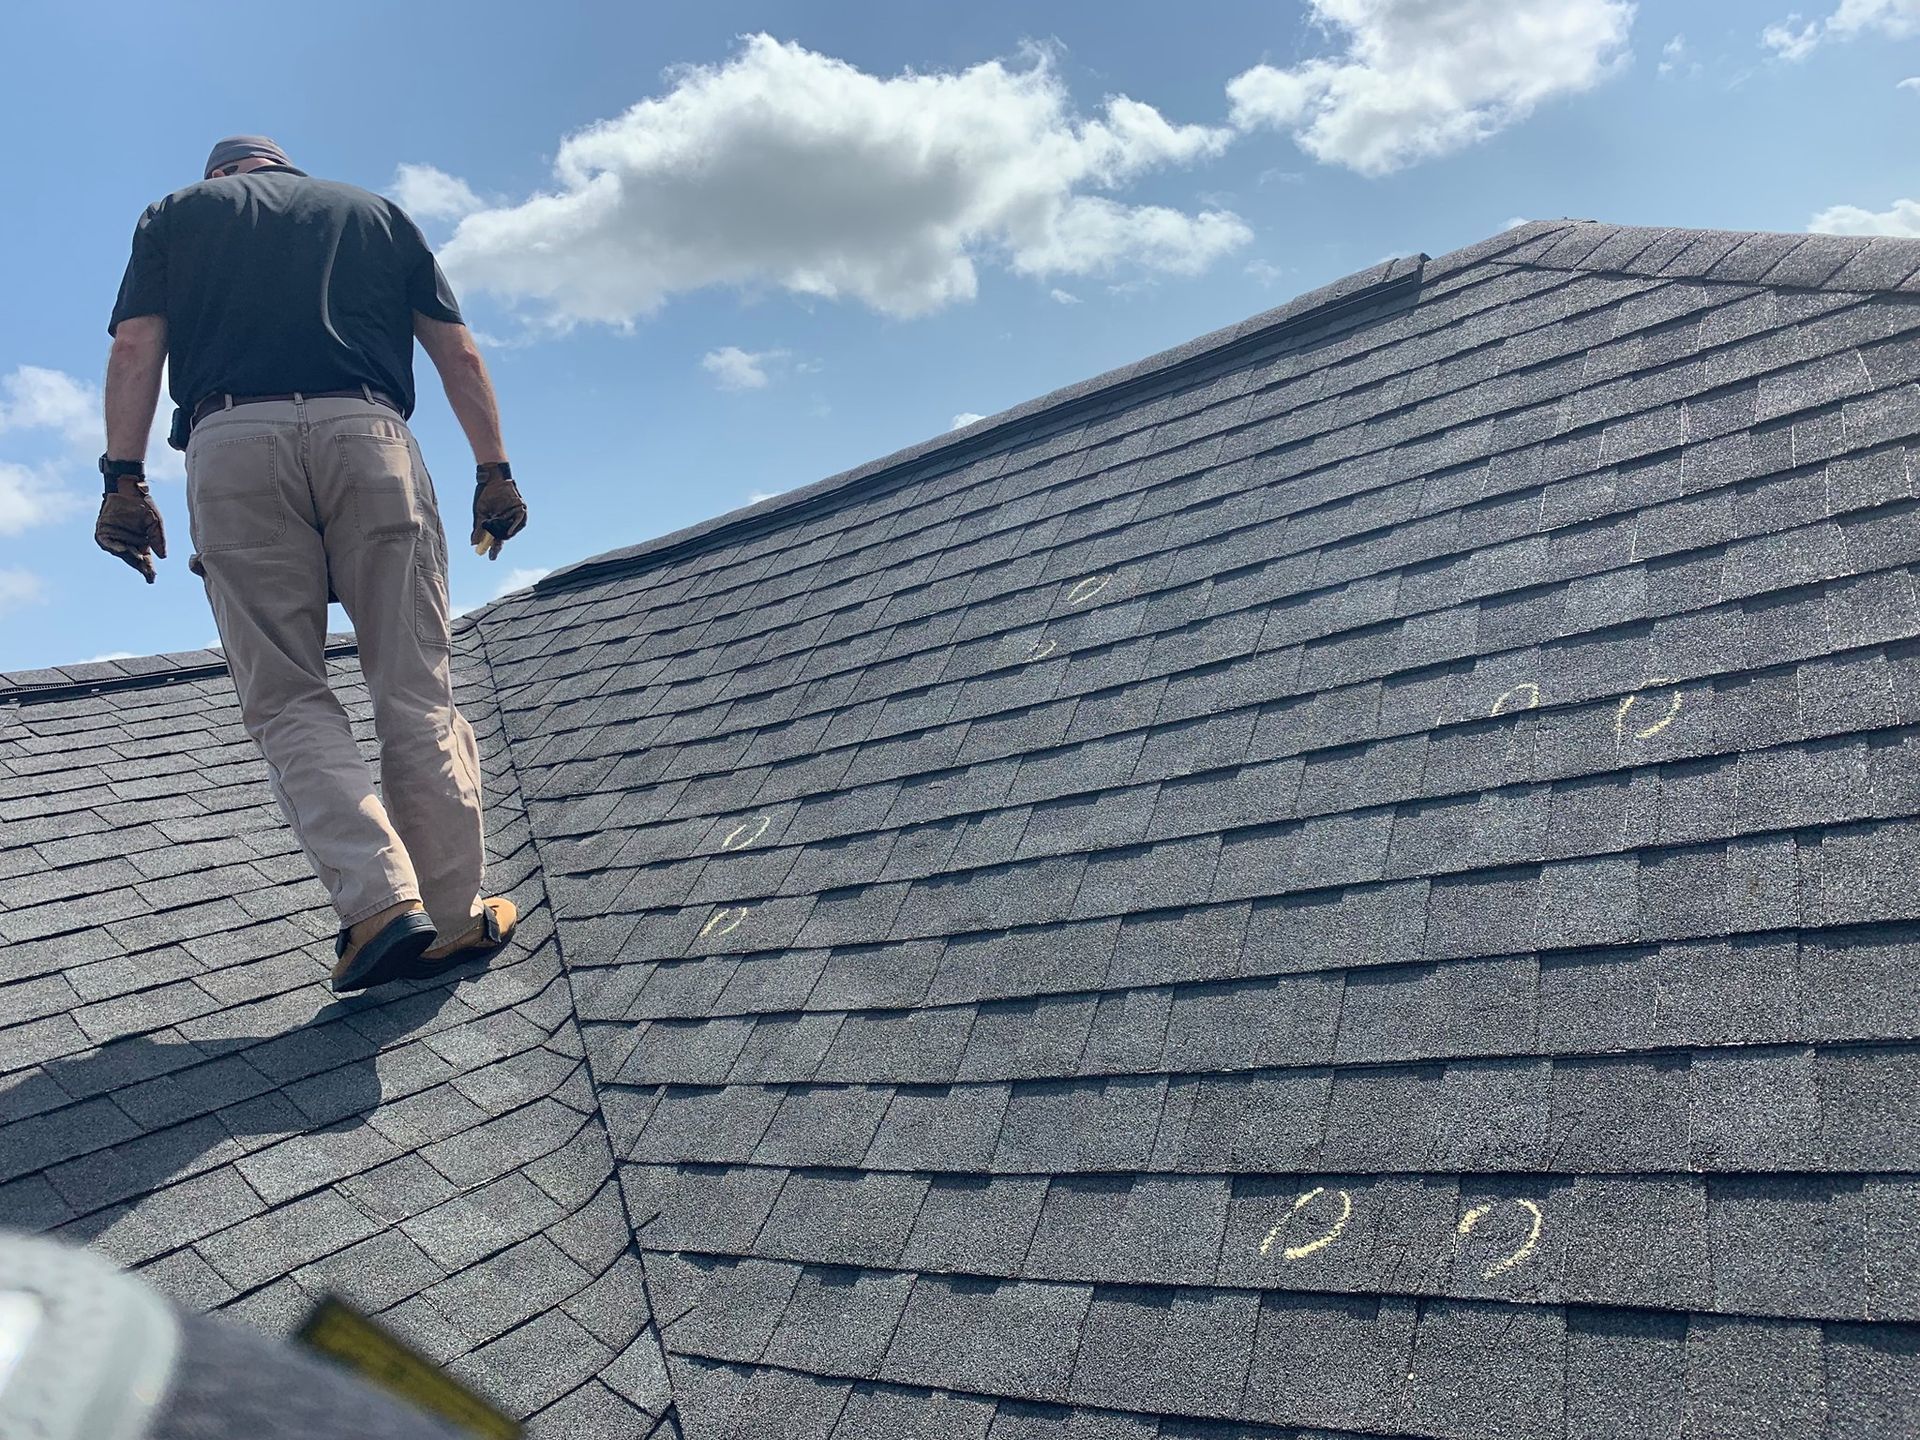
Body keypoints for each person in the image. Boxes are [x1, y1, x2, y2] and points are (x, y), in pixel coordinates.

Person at [95, 135, 529, 994]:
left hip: (232, 442)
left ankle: (376, 905)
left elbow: (135, 349)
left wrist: (122, 478)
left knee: (288, 691)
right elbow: (460, 354)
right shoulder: (375, 214)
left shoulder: (179, 214)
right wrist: (495, 472)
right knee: (415, 682)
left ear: (222, 175)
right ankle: (450, 918)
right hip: (370, 437)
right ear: (285, 168)